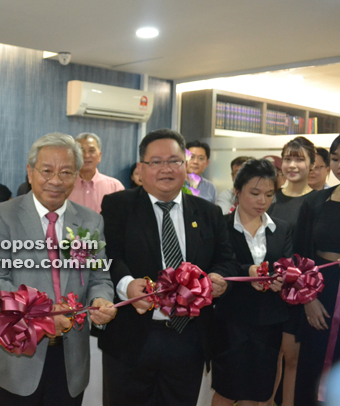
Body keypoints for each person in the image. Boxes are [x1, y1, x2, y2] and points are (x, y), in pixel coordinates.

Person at [98, 129, 238, 406]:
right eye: (156, 162)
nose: (166, 169)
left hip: (189, 337)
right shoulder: (118, 205)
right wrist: (127, 285)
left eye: (174, 161)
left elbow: (226, 258)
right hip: (133, 336)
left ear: (186, 167)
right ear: (141, 168)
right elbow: (108, 254)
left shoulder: (208, 212)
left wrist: (219, 278)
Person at [0, 132, 117, 406]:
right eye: (46, 171)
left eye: (66, 172)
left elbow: (100, 278)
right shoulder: (2, 215)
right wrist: (40, 314)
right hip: (16, 356)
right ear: (30, 172)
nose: (56, 180)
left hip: (70, 358)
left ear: (76, 175)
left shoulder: (90, 221)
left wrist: (102, 300)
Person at [211, 159, 291, 406]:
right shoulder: (221, 226)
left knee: (258, 392)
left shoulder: (283, 229)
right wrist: (249, 271)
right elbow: (219, 266)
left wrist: (283, 280)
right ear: (237, 191)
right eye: (255, 193)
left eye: (269, 194)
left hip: (269, 321)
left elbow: (288, 267)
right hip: (231, 321)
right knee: (227, 390)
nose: (262, 201)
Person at [267, 136, 317, 406]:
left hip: (298, 292)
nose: (292, 164)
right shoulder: (268, 198)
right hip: (266, 288)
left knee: (291, 358)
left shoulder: (316, 202)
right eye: (288, 158)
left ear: (311, 165)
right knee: (267, 359)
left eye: (299, 159)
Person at [293, 134, 340, 405]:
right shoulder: (315, 202)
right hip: (321, 290)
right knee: (312, 367)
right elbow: (300, 256)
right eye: (335, 159)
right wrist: (308, 299)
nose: (339, 165)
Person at [68, 132, 124, 213]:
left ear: (99, 156)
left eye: (91, 151)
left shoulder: (115, 187)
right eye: (81, 151)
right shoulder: (65, 185)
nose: (86, 155)